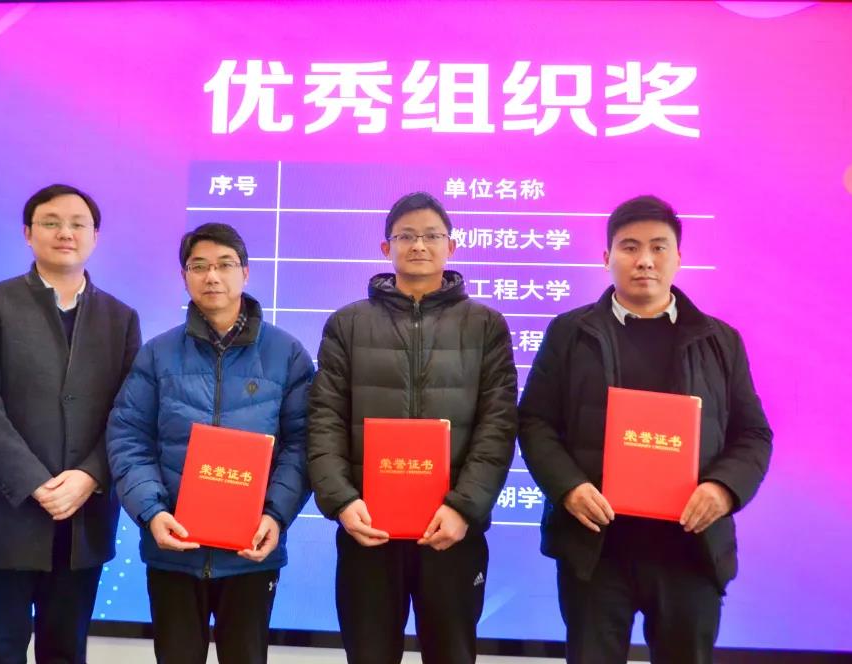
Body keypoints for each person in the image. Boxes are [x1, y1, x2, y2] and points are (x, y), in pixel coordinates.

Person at [518, 194, 773, 663]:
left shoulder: (720, 341)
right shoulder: (570, 333)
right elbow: (534, 421)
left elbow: (753, 434)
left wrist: (722, 489)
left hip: (690, 550)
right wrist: (569, 487)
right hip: (596, 548)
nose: (645, 260)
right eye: (630, 247)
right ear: (606, 257)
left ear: (678, 257)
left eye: (658, 247)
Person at [308, 192, 518, 664]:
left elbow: (498, 424)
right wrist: (343, 502)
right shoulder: (348, 324)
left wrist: (463, 508)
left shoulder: (486, 325)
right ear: (387, 248)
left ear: (451, 246)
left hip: (452, 532)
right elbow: (323, 420)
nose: (419, 245)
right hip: (368, 530)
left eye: (431, 236)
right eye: (406, 236)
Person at [0, 183, 141, 664]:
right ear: (28, 233)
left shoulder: (120, 318)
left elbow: (128, 414)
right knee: (0, 651)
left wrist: (90, 476)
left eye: (78, 224)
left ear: (94, 236)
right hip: (3, 513)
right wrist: (36, 482)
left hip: (82, 520)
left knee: (66, 652)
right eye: (51, 222)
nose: (65, 233)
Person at [106, 222, 314, 664]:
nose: (212, 276)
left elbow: (302, 444)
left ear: (246, 272)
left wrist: (275, 515)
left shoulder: (286, 353)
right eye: (198, 266)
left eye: (224, 265)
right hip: (174, 549)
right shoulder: (158, 353)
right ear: (185, 277)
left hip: (251, 551)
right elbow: (128, 436)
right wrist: (152, 512)